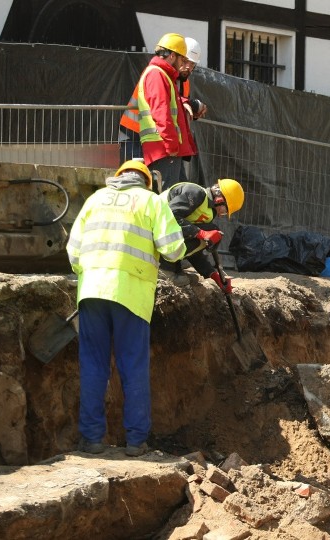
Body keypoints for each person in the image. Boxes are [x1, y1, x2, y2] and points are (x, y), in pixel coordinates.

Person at [66, 159, 186, 457]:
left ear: (118, 178)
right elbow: (174, 249)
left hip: (92, 293)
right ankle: (135, 442)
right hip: (131, 296)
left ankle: (91, 440)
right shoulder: (151, 202)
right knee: (132, 367)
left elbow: (73, 252)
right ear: (147, 181)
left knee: (93, 366)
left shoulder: (95, 200)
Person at [120, 32, 188, 193]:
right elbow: (161, 111)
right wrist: (171, 144)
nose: (184, 64)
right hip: (162, 146)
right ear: (172, 56)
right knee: (166, 195)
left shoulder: (160, 74)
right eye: (182, 59)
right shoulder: (157, 74)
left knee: (168, 192)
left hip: (160, 145)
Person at [159, 178, 245, 289]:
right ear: (220, 199)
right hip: (152, 234)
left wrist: (212, 274)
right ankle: (164, 269)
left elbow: (194, 246)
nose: (220, 215)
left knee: (212, 230)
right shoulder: (195, 193)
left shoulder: (208, 211)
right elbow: (169, 216)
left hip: (161, 237)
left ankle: (174, 268)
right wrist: (201, 233)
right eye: (224, 211)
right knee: (209, 230)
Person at [176, 37, 208, 188]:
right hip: (134, 135)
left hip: (167, 142)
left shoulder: (185, 82)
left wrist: (193, 111)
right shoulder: (164, 76)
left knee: (178, 186)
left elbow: (180, 108)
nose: (188, 67)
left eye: (192, 64)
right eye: (185, 61)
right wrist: (191, 104)